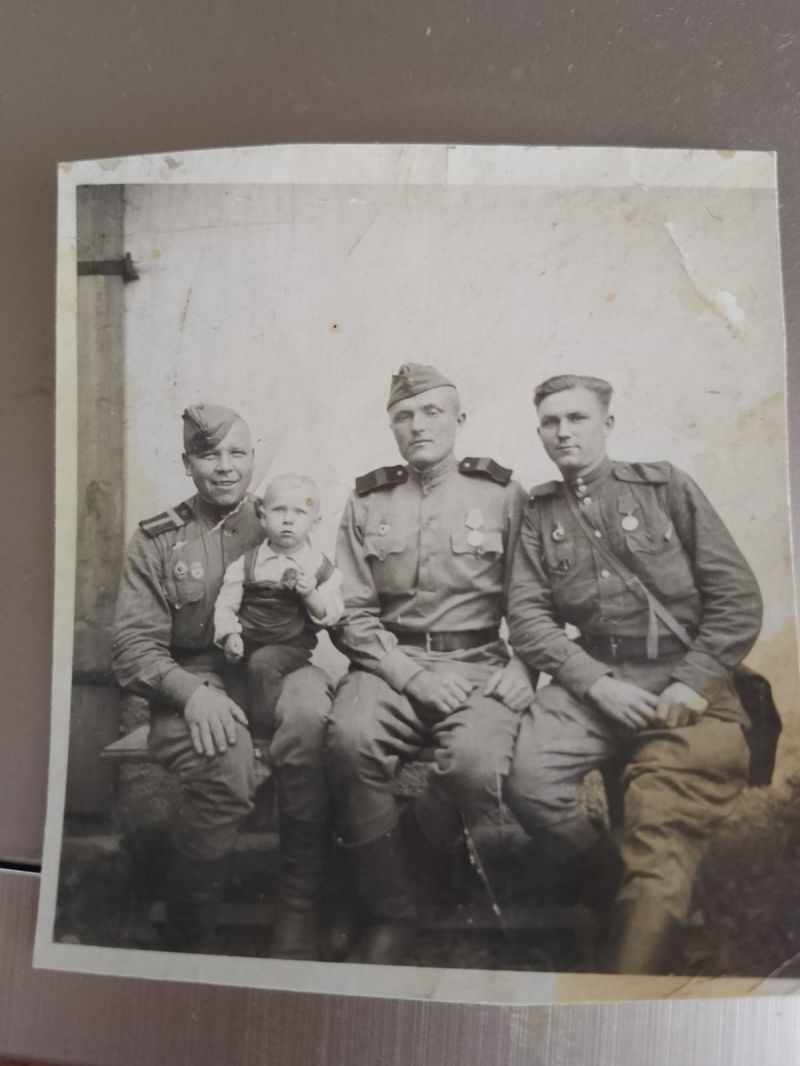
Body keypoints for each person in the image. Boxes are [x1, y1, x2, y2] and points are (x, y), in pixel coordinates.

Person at [504, 374, 763, 974]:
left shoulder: (666, 488)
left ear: (608, 425)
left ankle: (631, 976)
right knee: (527, 779)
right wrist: (595, 683)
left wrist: (693, 680)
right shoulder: (540, 513)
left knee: (657, 825)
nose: (563, 432)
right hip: (595, 674)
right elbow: (528, 619)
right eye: (550, 422)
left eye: (577, 418)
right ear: (539, 431)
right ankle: (617, 892)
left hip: (682, 677)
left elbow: (738, 599)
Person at [326, 362, 534, 964]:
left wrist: (525, 665)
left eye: (432, 412)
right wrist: (410, 675)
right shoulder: (367, 500)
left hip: (480, 662)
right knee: (349, 740)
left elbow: (533, 599)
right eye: (403, 416)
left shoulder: (503, 495)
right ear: (391, 426)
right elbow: (352, 612)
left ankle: (406, 872)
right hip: (390, 662)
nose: (417, 425)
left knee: (477, 763)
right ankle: (394, 912)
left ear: (459, 419)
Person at [112, 403, 264, 951]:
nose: (225, 467)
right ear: (186, 464)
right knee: (229, 765)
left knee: (324, 742)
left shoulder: (280, 523)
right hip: (186, 684)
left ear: (253, 458)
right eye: (208, 455)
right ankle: (188, 936)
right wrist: (191, 694)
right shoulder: (158, 539)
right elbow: (132, 646)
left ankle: (306, 919)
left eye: (237, 453)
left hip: (268, 679)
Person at [213, 473, 344, 959]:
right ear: (262, 515)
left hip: (289, 650)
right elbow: (226, 605)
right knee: (247, 673)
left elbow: (331, 615)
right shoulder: (246, 564)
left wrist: (310, 593)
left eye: (300, 512)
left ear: (315, 520)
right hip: (248, 649)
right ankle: (256, 777)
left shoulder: (318, 565)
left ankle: (265, 749)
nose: (289, 521)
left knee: (267, 668)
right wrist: (229, 635)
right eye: (279, 511)